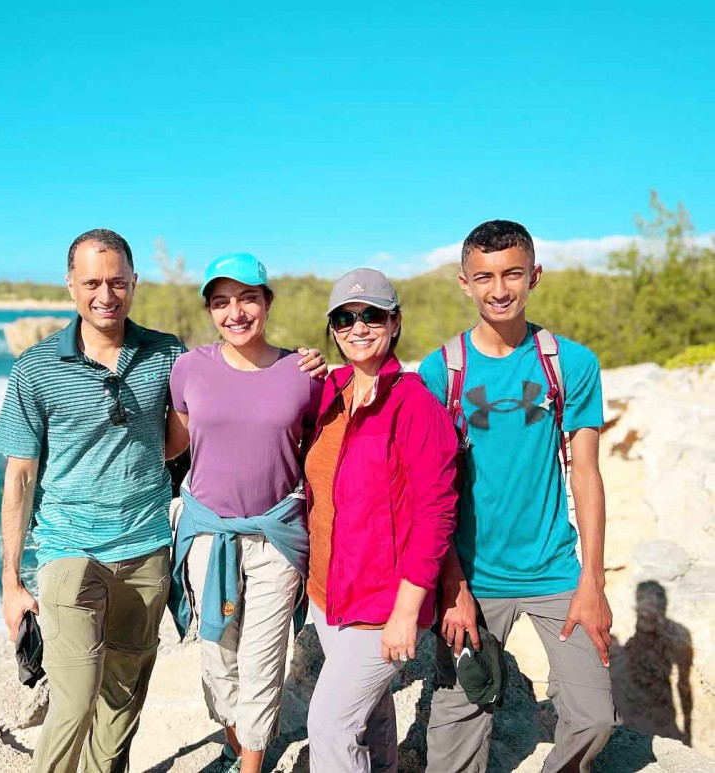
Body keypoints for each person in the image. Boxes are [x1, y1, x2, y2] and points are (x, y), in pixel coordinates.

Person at [0, 231, 325, 773]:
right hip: (69, 550)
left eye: (117, 281)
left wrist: (303, 363)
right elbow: (20, 477)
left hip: (149, 549)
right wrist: (10, 582)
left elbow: (192, 428)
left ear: (134, 283)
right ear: (71, 285)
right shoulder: (36, 367)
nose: (106, 294)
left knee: (123, 701)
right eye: (92, 282)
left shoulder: (167, 354)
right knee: (74, 697)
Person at [419, 220, 617, 772]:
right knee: (459, 720)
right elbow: (433, 492)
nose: (499, 289)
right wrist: (452, 586)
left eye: (512, 274)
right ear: (464, 282)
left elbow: (586, 476)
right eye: (484, 277)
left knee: (594, 716)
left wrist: (592, 581)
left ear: (535, 276)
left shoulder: (570, 363)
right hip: (472, 579)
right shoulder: (442, 371)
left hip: (556, 573)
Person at [165, 253, 323, 773]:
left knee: (262, 661)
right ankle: (236, 737)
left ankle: (250, 764)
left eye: (248, 298)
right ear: (210, 310)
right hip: (208, 535)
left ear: (268, 302)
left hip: (276, 536)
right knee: (217, 658)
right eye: (221, 302)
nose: (236, 312)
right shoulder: (188, 369)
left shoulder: (303, 373)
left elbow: (321, 452)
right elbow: (174, 445)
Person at [303, 267, 458, 772]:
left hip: (382, 603)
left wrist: (406, 611)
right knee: (369, 715)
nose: (358, 327)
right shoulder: (331, 391)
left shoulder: (416, 405)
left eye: (372, 314)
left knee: (329, 725)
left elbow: (436, 515)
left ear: (395, 322)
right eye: (345, 318)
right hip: (328, 593)